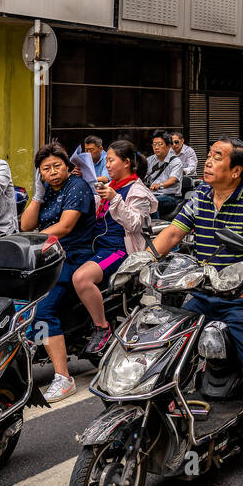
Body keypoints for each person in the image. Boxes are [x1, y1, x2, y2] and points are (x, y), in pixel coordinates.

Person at [149, 139, 243, 486]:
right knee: (162, 349)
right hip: (204, 295)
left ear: (236, 170)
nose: (208, 162)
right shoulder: (198, 197)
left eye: (216, 158)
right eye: (208, 156)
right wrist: (141, 259)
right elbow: (174, 233)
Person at [21, 144, 96, 401]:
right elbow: (26, 224)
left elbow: (64, 227)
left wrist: (28, 239)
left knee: (42, 309)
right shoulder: (47, 191)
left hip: (71, 258)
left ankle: (63, 377)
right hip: (43, 259)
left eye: (56, 166)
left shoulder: (78, 188)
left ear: (67, 166)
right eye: (45, 169)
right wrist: (37, 196)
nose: (52, 172)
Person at [70, 140, 156, 356]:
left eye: (111, 160)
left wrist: (116, 199)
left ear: (127, 162)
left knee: (81, 278)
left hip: (118, 250)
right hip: (94, 246)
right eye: (106, 160)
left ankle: (101, 327)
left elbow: (135, 224)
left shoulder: (137, 191)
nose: (106, 165)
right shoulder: (111, 186)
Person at [145, 131, 184, 220]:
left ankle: (154, 227)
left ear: (169, 145)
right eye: (154, 144)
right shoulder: (149, 160)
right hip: (151, 194)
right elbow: (143, 177)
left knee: (151, 202)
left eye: (160, 144)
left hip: (170, 197)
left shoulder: (176, 162)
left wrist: (160, 185)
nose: (156, 147)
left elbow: (173, 179)